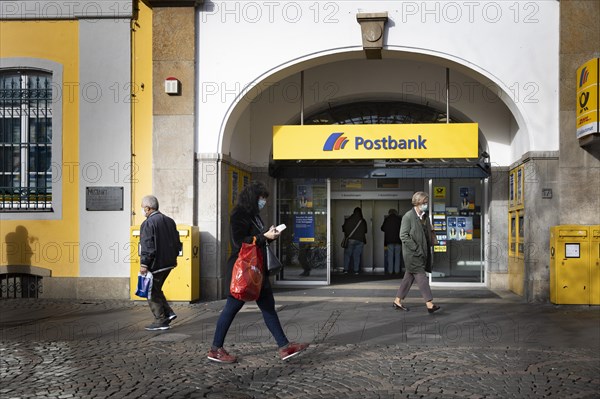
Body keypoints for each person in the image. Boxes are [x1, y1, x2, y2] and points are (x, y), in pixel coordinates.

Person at [208, 181, 309, 363]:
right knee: (231, 308)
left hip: (258, 270)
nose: (263, 202)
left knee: (268, 307)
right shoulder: (239, 214)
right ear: (253, 197)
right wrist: (264, 237)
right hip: (244, 270)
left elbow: (257, 241)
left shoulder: (255, 215)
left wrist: (269, 235)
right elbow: (239, 241)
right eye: (261, 198)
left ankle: (285, 347)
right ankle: (215, 349)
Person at [392, 192, 441, 314]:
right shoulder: (408, 217)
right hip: (412, 254)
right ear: (418, 202)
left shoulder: (425, 217)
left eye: (426, 202)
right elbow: (403, 235)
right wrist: (416, 248)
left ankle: (397, 300)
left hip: (422, 252)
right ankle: (429, 303)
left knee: (408, 278)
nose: (426, 205)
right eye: (424, 203)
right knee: (421, 277)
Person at [139, 195, 181, 331]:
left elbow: (147, 245)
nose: (142, 210)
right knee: (156, 289)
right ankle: (168, 313)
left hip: (156, 264)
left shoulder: (148, 223)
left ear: (148, 208)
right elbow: (177, 243)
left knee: (150, 291)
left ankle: (160, 320)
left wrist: (144, 264)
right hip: (169, 263)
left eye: (142, 207)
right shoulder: (169, 221)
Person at [342, 207, 367, 275]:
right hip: (360, 240)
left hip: (351, 240)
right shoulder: (363, 221)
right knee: (357, 256)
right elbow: (365, 231)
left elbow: (344, 229)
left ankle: (346, 270)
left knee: (347, 255)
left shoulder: (349, 219)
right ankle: (356, 270)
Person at [380, 208, 402, 275]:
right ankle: (397, 271)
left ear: (389, 213)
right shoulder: (399, 219)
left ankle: (390, 271)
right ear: (396, 213)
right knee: (398, 256)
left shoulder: (387, 219)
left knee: (390, 256)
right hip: (398, 241)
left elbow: (382, 228)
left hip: (389, 241)